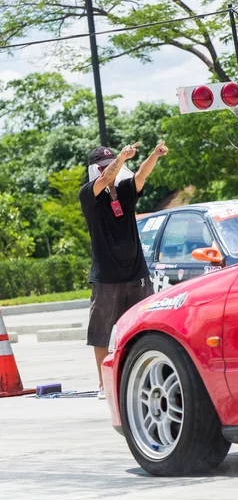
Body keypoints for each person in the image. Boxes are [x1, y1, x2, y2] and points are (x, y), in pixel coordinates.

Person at [79, 141, 168, 398]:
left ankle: (147, 377)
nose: (112, 171)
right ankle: (103, 384)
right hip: (106, 277)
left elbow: (141, 175)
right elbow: (107, 176)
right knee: (102, 333)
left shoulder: (125, 191)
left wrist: (154, 155)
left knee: (147, 326)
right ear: (95, 170)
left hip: (136, 274)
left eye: (115, 166)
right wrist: (120, 159)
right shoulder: (89, 195)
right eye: (105, 167)